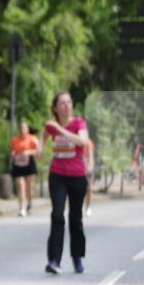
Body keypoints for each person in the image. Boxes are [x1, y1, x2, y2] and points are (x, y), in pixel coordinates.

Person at [40, 92, 89, 274]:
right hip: (58, 174)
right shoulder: (50, 125)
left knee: (75, 218)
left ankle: (77, 258)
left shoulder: (79, 123)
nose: (66, 105)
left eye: (69, 102)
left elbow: (82, 141)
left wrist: (60, 130)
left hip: (77, 175)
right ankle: (53, 260)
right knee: (57, 215)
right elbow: (44, 135)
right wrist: (39, 146)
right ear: (55, 108)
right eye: (62, 103)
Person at [9, 120, 40, 217]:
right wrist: (13, 153)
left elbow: (38, 151)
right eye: (21, 128)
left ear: (27, 129)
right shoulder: (15, 140)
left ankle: (30, 203)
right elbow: (12, 150)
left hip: (29, 163)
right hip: (18, 163)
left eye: (24, 128)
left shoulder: (33, 139)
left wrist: (28, 152)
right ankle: (21, 208)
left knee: (29, 187)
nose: (22, 130)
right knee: (20, 185)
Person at [84, 138, 96, 217]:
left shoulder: (88, 142)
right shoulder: (73, 140)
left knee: (88, 188)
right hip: (76, 168)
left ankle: (88, 207)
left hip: (87, 167)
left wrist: (90, 167)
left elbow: (91, 156)